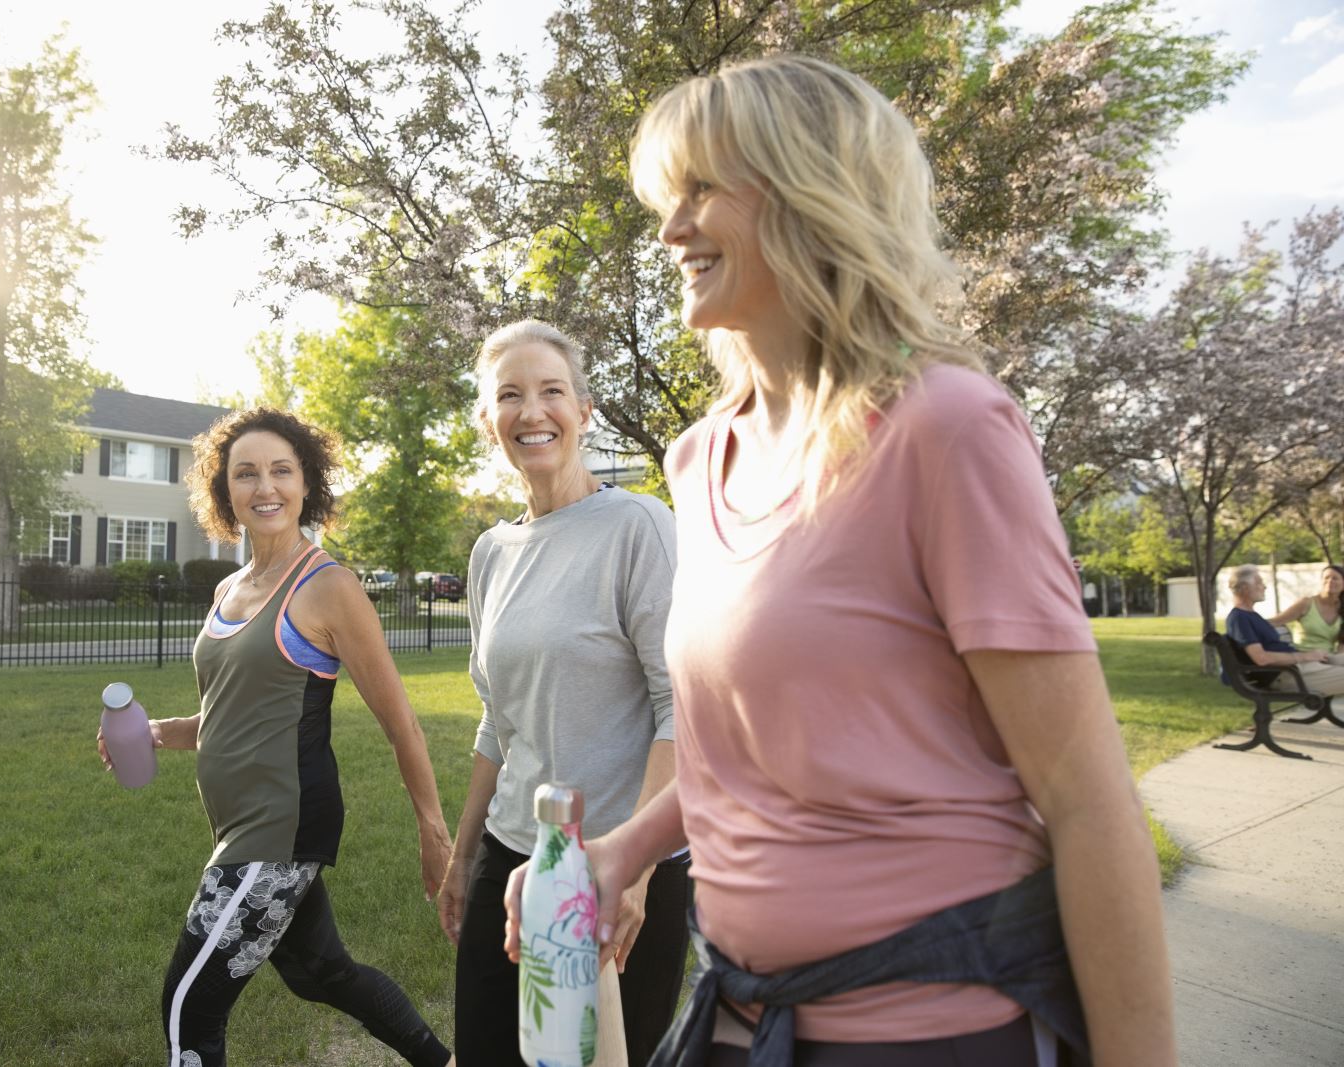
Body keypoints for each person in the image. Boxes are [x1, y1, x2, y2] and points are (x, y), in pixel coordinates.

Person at [502, 56, 1176, 1066]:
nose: (671, 229)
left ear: (812, 191)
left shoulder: (945, 427)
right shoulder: (700, 456)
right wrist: (624, 851)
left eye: (698, 191)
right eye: (663, 199)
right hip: (743, 1014)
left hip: (931, 1031)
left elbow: (1087, 797)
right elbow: (760, 744)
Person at [98, 407, 454, 1067]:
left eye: (281, 470)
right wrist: (155, 733)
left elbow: (399, 718)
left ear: (306, 482)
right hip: (244, 827)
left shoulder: (328, 587)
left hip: (279, 827)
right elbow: (230, 715)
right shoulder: (230, 588)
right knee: (322, 973)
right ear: (224, 491)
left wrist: (434, 833)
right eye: (247, 473)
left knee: (189, 1006)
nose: (266, 486)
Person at [437, 319, 689, 1066]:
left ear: (584, 409)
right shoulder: (491, 553)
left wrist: (638, 870)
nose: (532, 410)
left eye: (551, 390)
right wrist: (462, 856)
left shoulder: (641, 527)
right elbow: (498, 719)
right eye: (509, 395)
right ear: (489, 422)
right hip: (510, 858)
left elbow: (685, 707)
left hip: (617, 869)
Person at [1226, 563, 1344, 692]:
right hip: (1287, 675)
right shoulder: (1239, 618)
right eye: (1259, 583)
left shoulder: (1251, 616)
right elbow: (1261, 658)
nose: (1264, 587)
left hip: (1297, 667)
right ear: (1245, 588)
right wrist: (1305, 656)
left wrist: (1306, 657)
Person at [1264, 563, 1344, 653]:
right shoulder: (1306, 603)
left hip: (1329, 659)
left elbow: (1342, 645)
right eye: (1326, 578)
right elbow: (1275, 621)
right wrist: (1249, 622)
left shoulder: (1341, 609)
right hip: (1302, 657)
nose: (1330, 581)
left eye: (1335, 578)